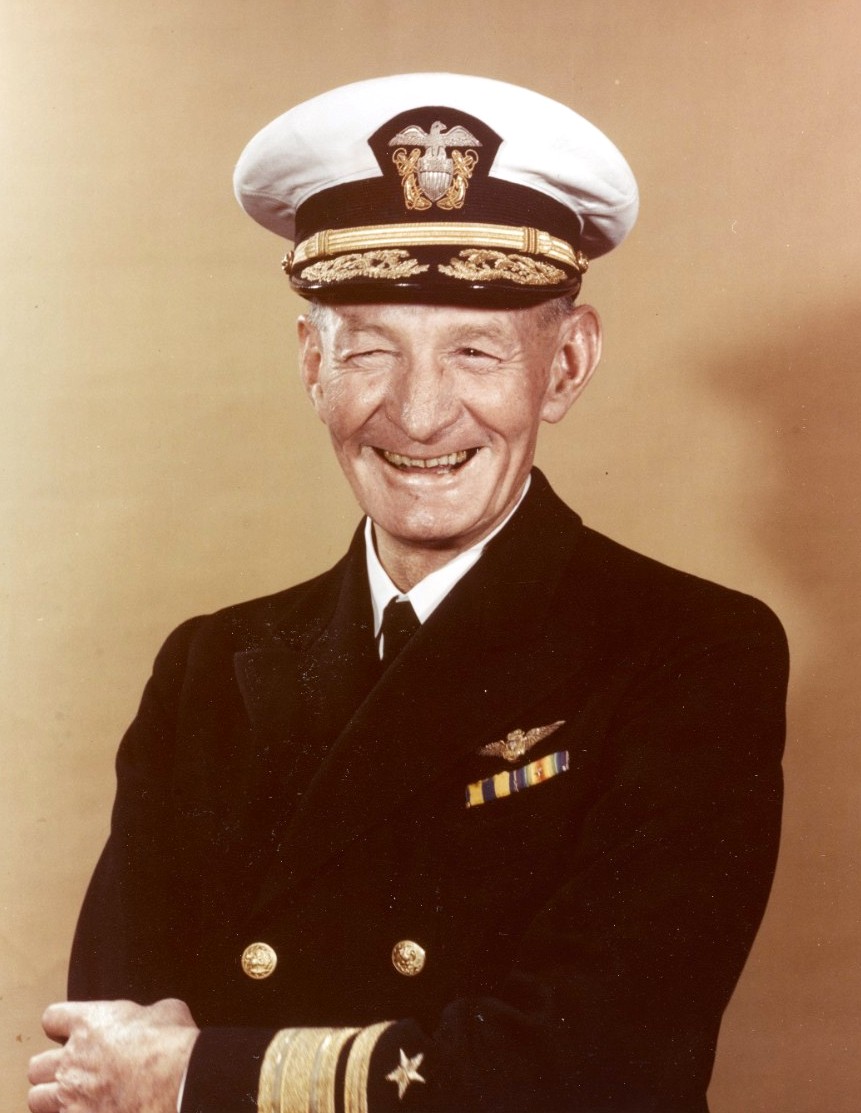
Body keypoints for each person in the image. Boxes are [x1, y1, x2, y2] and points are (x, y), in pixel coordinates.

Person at [28, 73, 788, 1113]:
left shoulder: (691, 654)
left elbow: (601, 1062)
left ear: (565, 365)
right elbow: (103, 1062)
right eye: (370, 350)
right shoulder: (208, 667)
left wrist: (199, 1076)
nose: (420, 415)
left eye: (475, 351)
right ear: (313, 366)